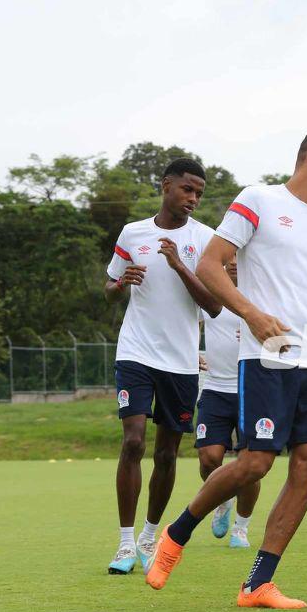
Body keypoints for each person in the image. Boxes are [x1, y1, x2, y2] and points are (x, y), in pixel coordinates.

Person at [143, 128, 307, 610]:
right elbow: (210, 264)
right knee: (256, 463)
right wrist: (252, 315)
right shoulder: (258, 198)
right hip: (267, 355)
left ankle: (258, 582)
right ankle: (175, 536)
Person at [103, 158, 221, 575]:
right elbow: (110, 289)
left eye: (199, 194)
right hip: (135, 352)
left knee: (167, 453)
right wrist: (121, 284)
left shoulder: (205, 240)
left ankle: (150, 536)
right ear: (166, 185)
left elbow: (213, 304)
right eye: (187, 190)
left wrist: (178, 264)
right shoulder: (133, 233)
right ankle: (123, 544)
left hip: (181, 361)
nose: (193, 199)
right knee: (133, 442)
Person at [196, 256, 260, 549]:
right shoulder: (208, 295)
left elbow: (281, 333)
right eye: (229, 259)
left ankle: (241, 528)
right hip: (215, 389)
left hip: (253, 389)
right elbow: (185, 324)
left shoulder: (261, 294)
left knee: (251, 464)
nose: (234, 263)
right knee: (209, 458)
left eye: (239, 258)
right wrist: (189, 351)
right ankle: (222, 500)